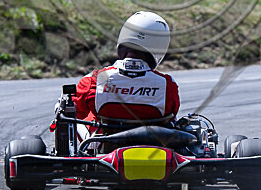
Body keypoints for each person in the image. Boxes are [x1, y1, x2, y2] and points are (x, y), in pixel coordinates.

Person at [72, 11, 180, 141]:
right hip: (153, 149)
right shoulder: (167, 85)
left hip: (106, 150)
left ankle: (83, 151)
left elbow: (74, 113)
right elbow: (171, 117)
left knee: (74, 113)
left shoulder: (94, 80)